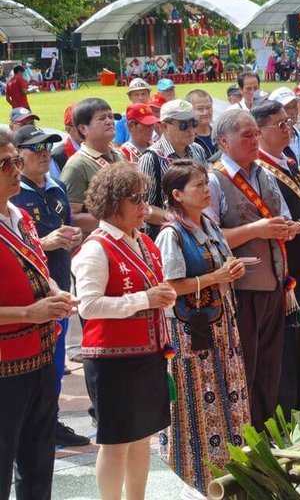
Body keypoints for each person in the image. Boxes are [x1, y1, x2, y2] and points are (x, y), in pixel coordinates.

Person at [73, 162, 176, 500]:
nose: (144, 207)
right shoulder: (95, 247)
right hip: (111, 360)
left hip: (148, 354)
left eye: (144, 197)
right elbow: (88, 306)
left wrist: (162, 298)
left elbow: (153, 289)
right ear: (113, 203)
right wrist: (143, 299)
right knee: (115, 442)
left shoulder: (144, 241)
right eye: (135, 199)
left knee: (141, 437)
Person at [155, 160, 249, 497]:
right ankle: (191, 478)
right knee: (196, 403)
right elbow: (169, 285)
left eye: (206, 184)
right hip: (191, 333)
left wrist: (231, 271)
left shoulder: (208, 223)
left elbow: (219, 268)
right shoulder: (171, 234)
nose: (206, 190)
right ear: (178, 194)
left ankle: (227, 472)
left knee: (227, 394)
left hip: (221, 326)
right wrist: (215, 278)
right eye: (198, 186)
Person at [0, 127, 78, 500]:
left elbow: (38, 268)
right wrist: (30, 312)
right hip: (5, 366)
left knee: (37, 461)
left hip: (41, 355)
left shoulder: (19, 216)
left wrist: (54, 291)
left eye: (16, 160)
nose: (17, 169)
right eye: (6, 164)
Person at [210, 110, 295, 429]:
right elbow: (210, 238)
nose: (255, 140)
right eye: (247, 135)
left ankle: (263, 430)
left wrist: (287, 228)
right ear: (224, 141)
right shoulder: (213, 179)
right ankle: (241, 433)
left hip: (274, 285)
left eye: (256, 134)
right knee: (244, 368)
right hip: (240, 291)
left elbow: (282, 218)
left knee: (270, 368)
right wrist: (256, 230)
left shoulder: (265, 174)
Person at [11, 125, 89, 448]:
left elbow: (66, 228)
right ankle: (31, 427)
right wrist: (46, 242)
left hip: (55, 288)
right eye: (35, 149)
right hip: (25, 302)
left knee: (55, 367)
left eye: (47, 148)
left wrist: (72, 239)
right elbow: (15, 249)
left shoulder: (56, 189)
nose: (44, 154)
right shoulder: (14, 195)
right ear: (18, 157)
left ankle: (49, 421)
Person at [253, 101, 300, 412]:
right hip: (287, 267)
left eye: (289, 123)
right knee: (289, 348)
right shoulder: (259, 169)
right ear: (260, 132)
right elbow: (273, 220)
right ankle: (287, 413)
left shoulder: (286, 159)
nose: (289, 130)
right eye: (281, 125)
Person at [137, 100, 207, 239]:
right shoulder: (150, 158)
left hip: (200, 229)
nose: (190, 129)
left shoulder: (198, 150)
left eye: (193, 123)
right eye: (183, 125)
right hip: (167, 236)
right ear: (164, 126)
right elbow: (142, 205)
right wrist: (180, 222)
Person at [61, 98, 125, 235]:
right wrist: (115, 219)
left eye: (111, 116)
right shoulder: (77, 165)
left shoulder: (119, 156)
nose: (109, 121)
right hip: (98, 245)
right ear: (83, 129)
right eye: (102, 118)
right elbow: (70, 217)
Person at [268, 88, 300, 203]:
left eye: (294, 107)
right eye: (286, 108)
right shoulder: (271, 143)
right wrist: (293, 173)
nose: (292, 112)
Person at [115, 78, 151, 144]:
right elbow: (117, 145)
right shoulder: (122, 120)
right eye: (136, 95)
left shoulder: (155, 116)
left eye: (143, 94)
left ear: (149, 95)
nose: (141, 98)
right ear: (130, 97)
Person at [50, 104, 80, 178]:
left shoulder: (102, 146)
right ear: (68, 129)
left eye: (87, 122)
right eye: (78, 125)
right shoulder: (57, 156)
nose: (84, 128)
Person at [186, 89, 217, 158]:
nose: (205, 112)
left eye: (209, 107)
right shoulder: (186, 138)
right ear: (189, 110)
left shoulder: (220, 133)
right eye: (200, 109)